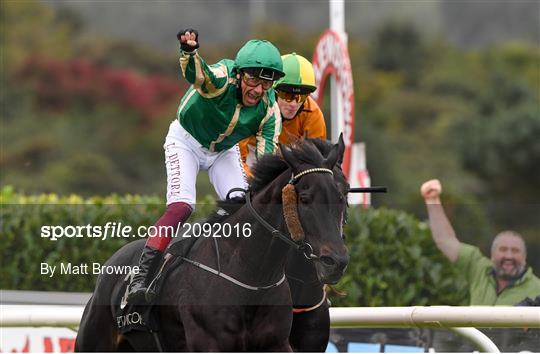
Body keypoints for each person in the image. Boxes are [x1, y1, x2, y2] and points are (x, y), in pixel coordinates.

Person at [127, 29, 285, 303]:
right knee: (182, 206)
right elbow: (198, 76)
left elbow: (263, 163)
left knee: (243, 206)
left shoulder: (270, 110)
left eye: (266, 84)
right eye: (252, 80)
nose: (258, 90)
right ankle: (140, 277)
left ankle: (229, 273)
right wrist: (189, 52)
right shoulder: (223, 79)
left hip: (222, 151)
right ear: (239, 74)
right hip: (185, 141)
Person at [420, 179, 540, 305]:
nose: (508, 256)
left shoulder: (537, 288)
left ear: (525, 257)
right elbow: (445, 241)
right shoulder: (477, 267)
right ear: (492, 254)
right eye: (503, 249)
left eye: (515, 251)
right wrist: (432, 200)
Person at [239, 53, 326, 175]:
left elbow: (316, 164)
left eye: (301, 96)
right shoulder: (254, 105)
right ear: (273, 90)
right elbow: (238, 158)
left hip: (291, 158)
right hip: (253, 154)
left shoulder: (314, 114)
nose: (293, 104)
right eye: (287, 95)